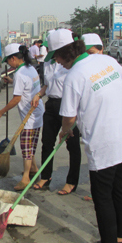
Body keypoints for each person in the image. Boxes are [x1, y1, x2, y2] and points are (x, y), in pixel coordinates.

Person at [48, 29, 122, 243]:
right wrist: (106, 102)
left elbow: (68, 118)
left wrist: (64, 132)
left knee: (102, 196)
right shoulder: (105, 60)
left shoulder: (74, 77)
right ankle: (121, 236)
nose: (57, 62)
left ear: (65, 53)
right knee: (119, 188)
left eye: (56, 57)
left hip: (105, 144)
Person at [31, 31, 81, 195]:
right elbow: (48, 84)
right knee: (47, 142)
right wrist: (38, 94)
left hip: (68, 105)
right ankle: (46, 177)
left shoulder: (74, 65)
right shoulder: (49, 63)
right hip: (52, 105)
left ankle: (71, 181)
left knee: (72, 146)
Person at [0, 43, 45, 191]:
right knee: (30, 145)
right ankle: (33, 169)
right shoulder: (30, 68)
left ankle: (26, 178)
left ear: (13, 58)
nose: (8, 64)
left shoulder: (20, 74)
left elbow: (16, 99)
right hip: (37, 111)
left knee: (27, 148)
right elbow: (27, 87)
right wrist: (12, 82)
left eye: (8, 61)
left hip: (30, 116)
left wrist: (1, 112)